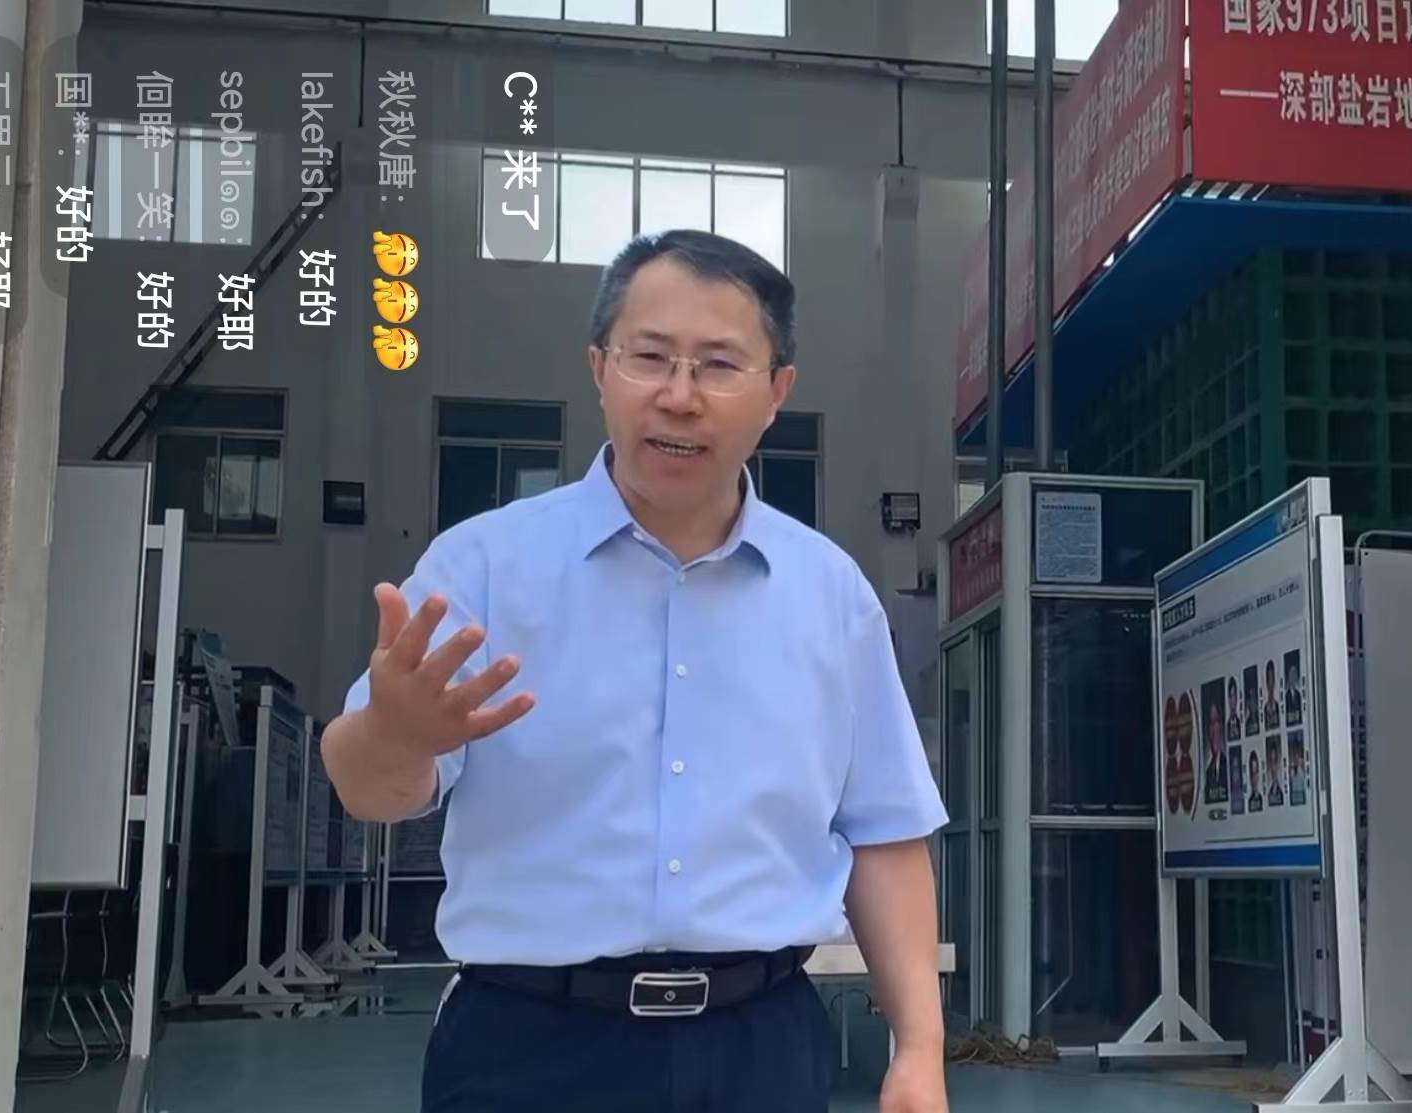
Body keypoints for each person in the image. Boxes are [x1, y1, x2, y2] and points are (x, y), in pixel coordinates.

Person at [322, 230, 950, 1113]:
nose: (678, 396)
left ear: (776, 392)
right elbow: (367, 788)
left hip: (761, 1052)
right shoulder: (485, 567)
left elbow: (882, 832)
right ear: (599, 368)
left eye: (718, 365)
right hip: (527, 1052)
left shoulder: (830, 594)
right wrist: (393, 734)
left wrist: (919, 1045)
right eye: (648, 357)